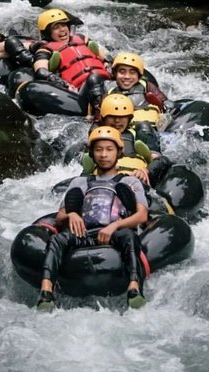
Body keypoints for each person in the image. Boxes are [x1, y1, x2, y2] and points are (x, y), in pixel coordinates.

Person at [36, 126, 148, 312]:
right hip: (84, 234)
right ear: (91, 153)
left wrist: (115, 226)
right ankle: (46, 291)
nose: (104, 154)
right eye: (98, 149)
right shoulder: (80, 182)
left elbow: (142, 215)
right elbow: (60, 215)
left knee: (129, 236)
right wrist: (72, 214)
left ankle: (134, 288)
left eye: (109, 149)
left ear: (119, 152)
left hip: (116, 234)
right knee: (56, 240)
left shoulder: (130, 182)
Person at [32, 8, 110, 116]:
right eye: (56, 27)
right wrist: (63, 84)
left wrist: (110, 66)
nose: (62, 30)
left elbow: (106, 59)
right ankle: (99, 114)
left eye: (64, 25)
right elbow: (41, 71)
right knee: (93, 78)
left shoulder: (82, 39)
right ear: (47, 32)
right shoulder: (45, 50)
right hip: (80, 89)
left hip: (105, 80)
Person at [83, 94, 172, 188]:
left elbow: (161, 160)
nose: (117, 121)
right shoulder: (96, 136)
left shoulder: (140, 133)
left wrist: (146, 171)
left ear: (129, 118)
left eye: (122, 117)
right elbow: (86, 170)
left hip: (135, 182)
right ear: (104, 118)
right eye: (112, 117)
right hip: (102, 184)